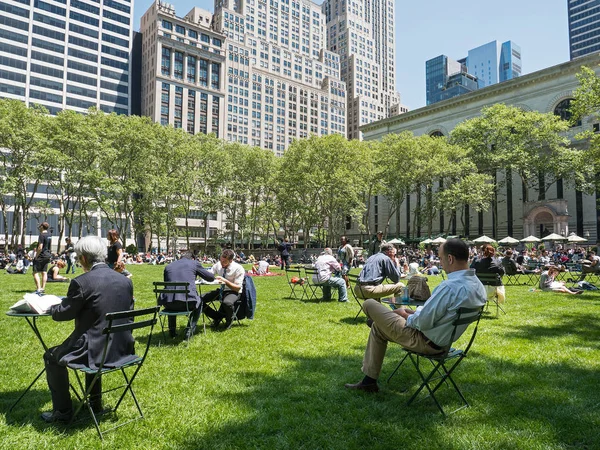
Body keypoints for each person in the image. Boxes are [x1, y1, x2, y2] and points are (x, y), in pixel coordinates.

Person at [345, 239, 487, 393]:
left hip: (424, 341)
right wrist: (412, 313)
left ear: (450, 258)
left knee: (370, 304)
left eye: (440, 258)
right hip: (444, 343)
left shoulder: (450, 287)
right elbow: (440, 315)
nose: (440, 262)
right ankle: (369, 381)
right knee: (379, 328)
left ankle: (375, 323)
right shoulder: (477, 285)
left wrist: (404, 315)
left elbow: (422, 323)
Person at [41, 236, 135, 423]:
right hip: (122, 348)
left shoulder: (81, 282)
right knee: (95, 341)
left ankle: (62, 412)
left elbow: (64, 314)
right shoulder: (125, 281)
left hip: (95, 352)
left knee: (51, 357)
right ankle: (95, 403)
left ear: (83, 258)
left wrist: (51, 307)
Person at [159, 251, 215, 339]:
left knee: (172, 295)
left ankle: (172, 331)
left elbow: (167, 285)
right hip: (187, 303)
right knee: (199, 302)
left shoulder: (168, 266)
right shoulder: (194, 263)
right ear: (192, 258)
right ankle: (189, 330)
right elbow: (211, 278)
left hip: (168, 303)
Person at [202, 249, 245, 329]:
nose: (221, 263)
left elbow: (237, 288)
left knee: (227, 303)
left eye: (224, 262)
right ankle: (216, 316)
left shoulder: (238, 268)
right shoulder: (218, 265)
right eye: (221, 260)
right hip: (221, 290)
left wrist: (225, 281)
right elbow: (210, 274)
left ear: (231, 260)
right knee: (199, 299)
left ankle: (229, 320)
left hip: (233, 291)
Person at [32, 222, 53, 296]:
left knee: (35, 272)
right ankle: (43, 288)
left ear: (42, 227)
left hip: (41, 255)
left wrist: (36, 256)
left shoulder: (41, 235)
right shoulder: (50, 234)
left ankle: (38, 288)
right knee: (44, 272)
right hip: (47, 255)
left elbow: (40, 247)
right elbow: (50, 245)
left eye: (40, 226)